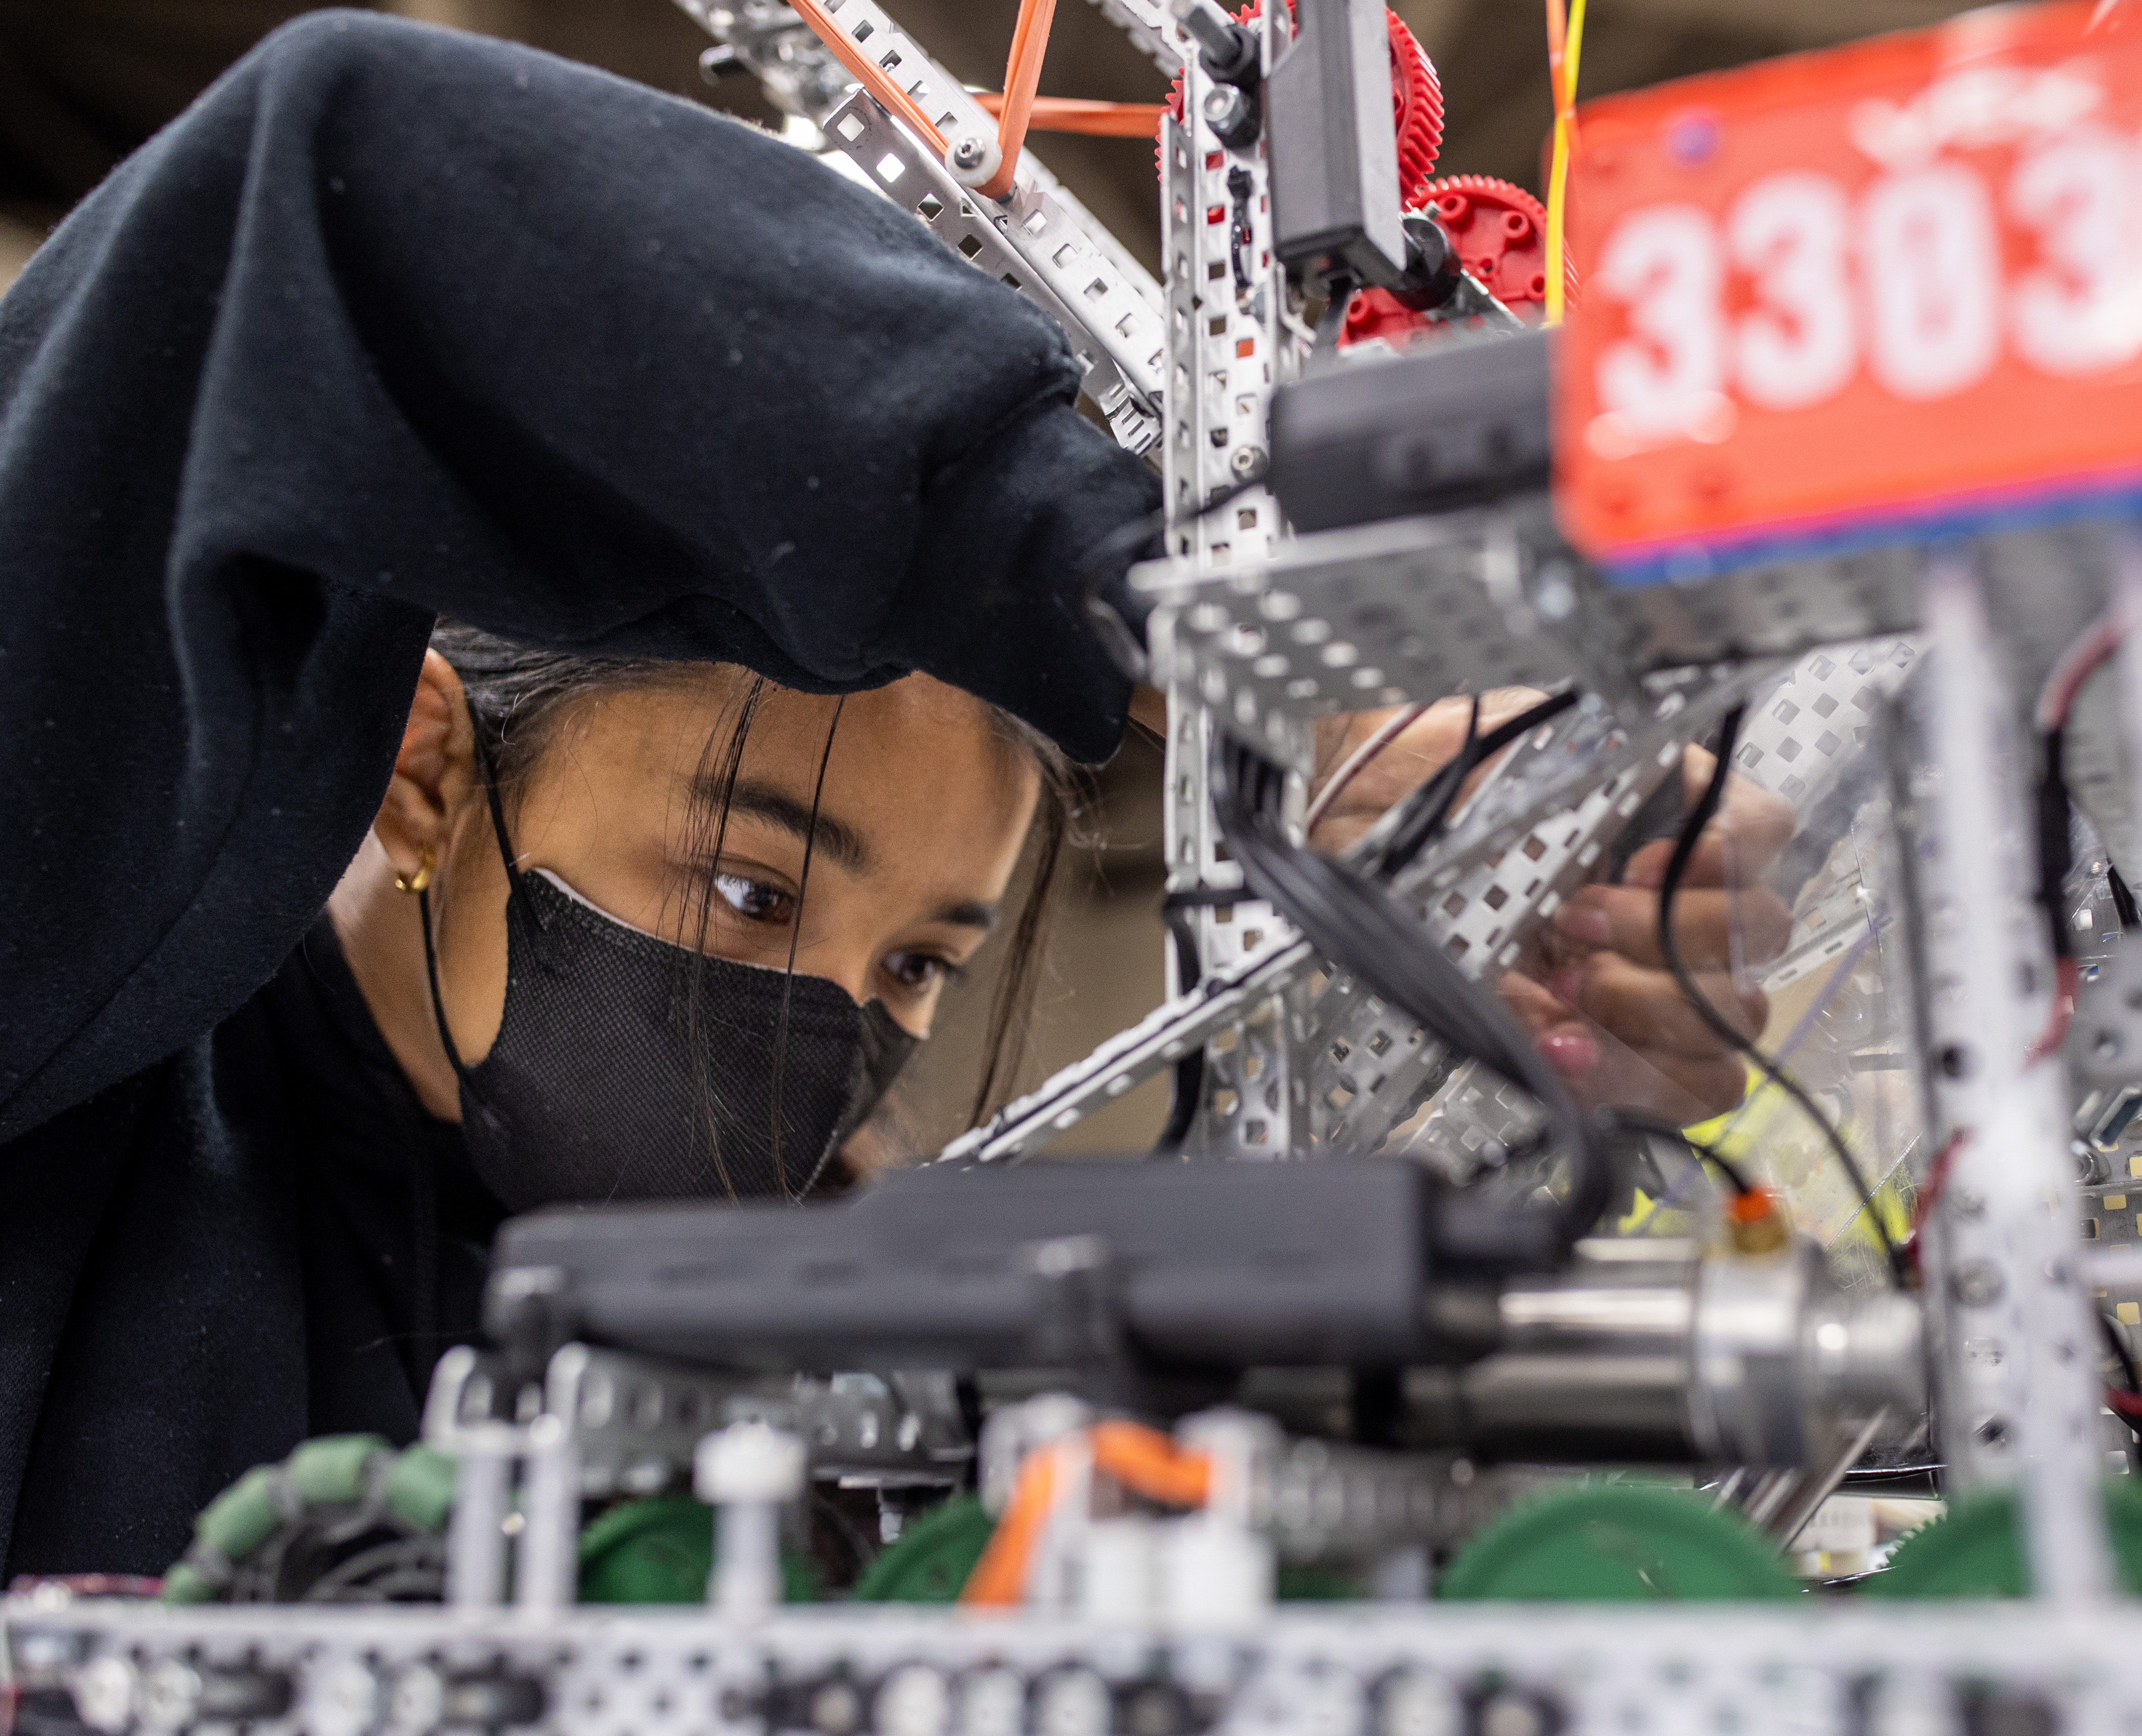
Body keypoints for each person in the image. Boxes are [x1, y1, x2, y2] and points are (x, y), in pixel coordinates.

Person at [0, 11, 1787, 1582]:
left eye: (920, 963)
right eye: (754, 889)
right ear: (426, 770)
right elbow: (333, 171)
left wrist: (1514, 1062)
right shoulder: (71, 1013)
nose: (825, 1028)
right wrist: (1244, 653)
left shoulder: (817, 1373)